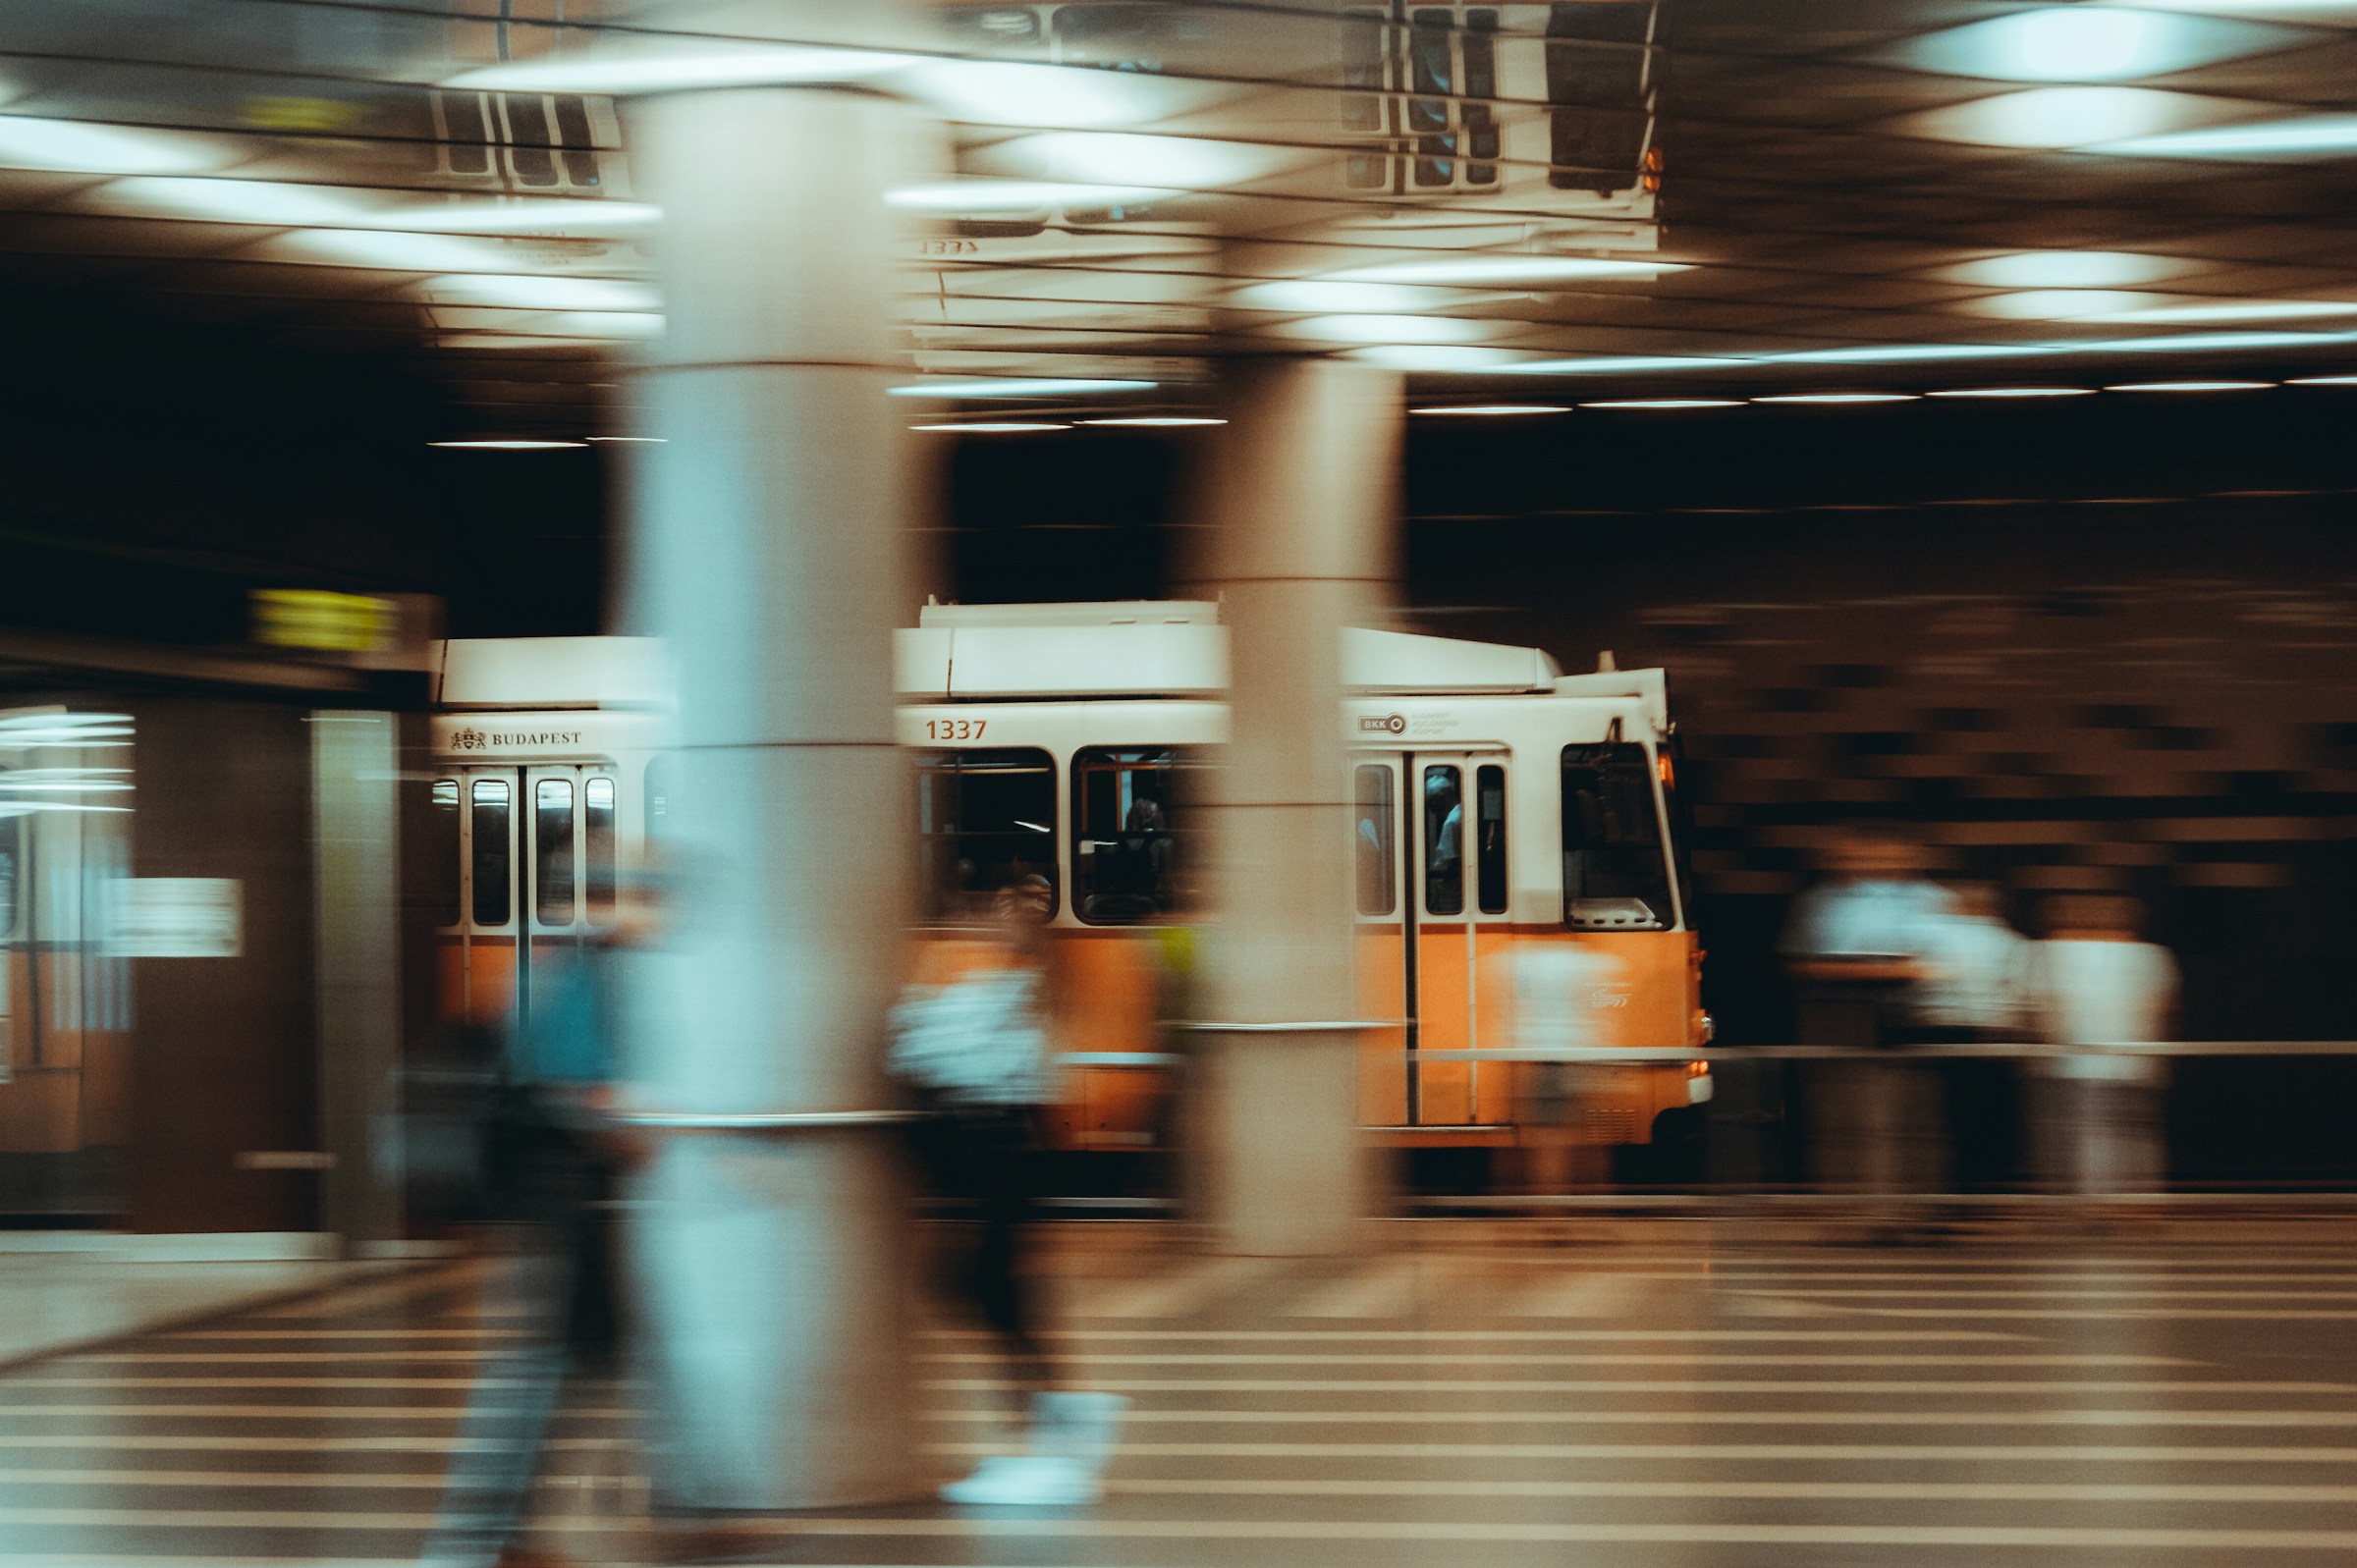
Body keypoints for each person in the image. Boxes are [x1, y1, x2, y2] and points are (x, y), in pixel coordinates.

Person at [421, 871, 655, 1568]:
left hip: (559, 1197)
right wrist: (653, 1135)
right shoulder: (586, 970)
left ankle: (502, 1534)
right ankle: (486, 1536)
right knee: (549, 1364)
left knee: (582, 1354)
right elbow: (583, 1091)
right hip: (562, 1199)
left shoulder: (556, 967)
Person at [891, 875, 1125, 1507]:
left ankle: (1050, 1430)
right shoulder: (1016, 984)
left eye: (995, 913)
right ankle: (1051, 1426)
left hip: (1004, 1156)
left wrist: (921, 991)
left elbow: (919, 1043)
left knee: (980, 1287)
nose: (982, 924)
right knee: (997, 1289)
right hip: (1011, 1158)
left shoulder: (1010, 987)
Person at [1779, 831, 1959, 1206]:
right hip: (1838, 1014)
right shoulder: (1821, 901)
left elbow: (1940, 964)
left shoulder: (1929, 898)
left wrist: (1875, 968)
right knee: (1843, 1118)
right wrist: (1886, 968)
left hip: (1910, 1018)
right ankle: (1852, 1207)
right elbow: (1806, 964)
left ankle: (1909, 1207)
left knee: (1909, 1118)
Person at [2024, 893, 2178, 1199]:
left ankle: (2093, 1202)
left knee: (2085, 1136)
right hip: (2136, 1063)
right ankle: (2136, 1202)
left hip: (2077, 1065)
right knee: (2133, 1134)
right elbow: (2164, 1008)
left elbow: (2039, 1009)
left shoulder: (2052, 952)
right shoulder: (2151, 955)